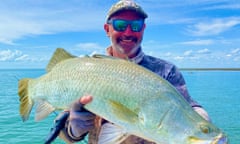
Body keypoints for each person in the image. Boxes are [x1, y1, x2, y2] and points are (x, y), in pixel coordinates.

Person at [58, 0, 211, 143]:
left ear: (143, 29)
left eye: (136, 25)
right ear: (107, 29)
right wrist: (73, 130)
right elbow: (64, 128)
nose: (128, 32)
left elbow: (187, 107)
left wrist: (203, 125)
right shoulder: (86, 69)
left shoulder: (166, 71)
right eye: (120, 25)